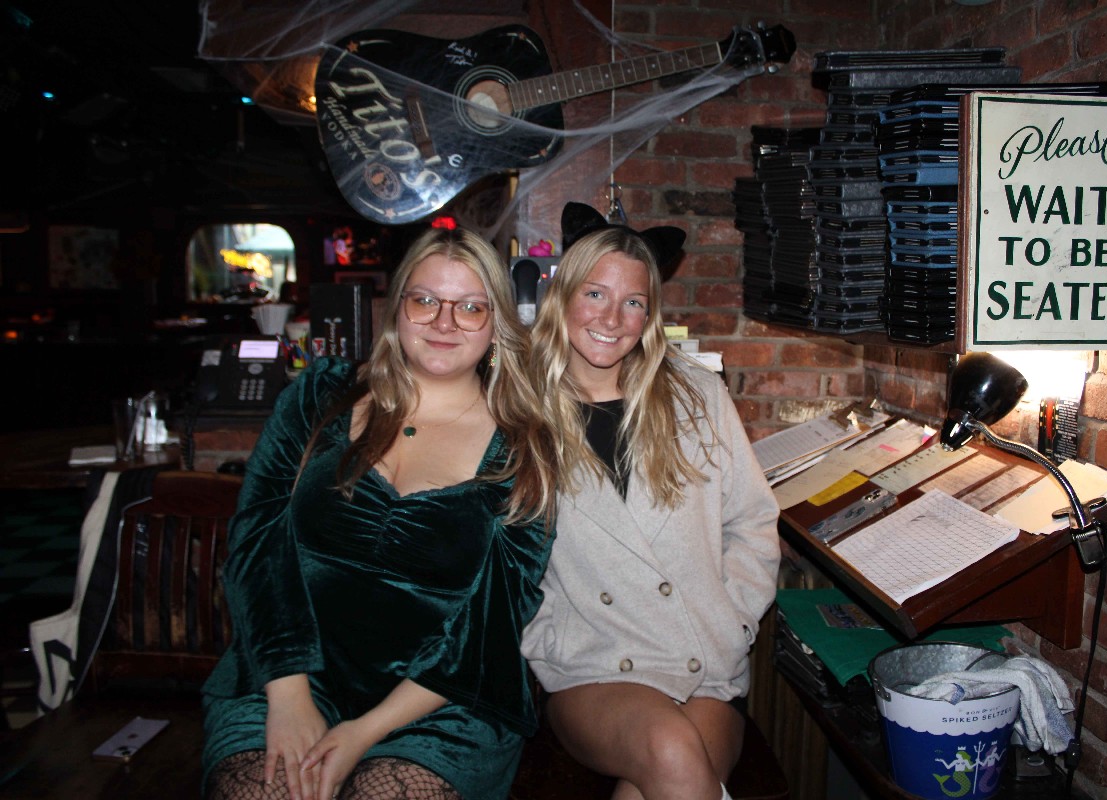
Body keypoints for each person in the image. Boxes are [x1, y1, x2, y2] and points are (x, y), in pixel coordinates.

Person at [202, 227, 557, 800]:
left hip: (442, 699)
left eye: (471, 307)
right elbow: (256, 547)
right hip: (287, 671)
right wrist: (289, 696)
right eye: (426, 300)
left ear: (497, 325)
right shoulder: (319, 398)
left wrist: (364, 732)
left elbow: (494, 624)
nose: (444, 322)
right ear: (397, 309)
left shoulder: (525, 448)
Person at [520, 203, 781, 800]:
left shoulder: (697, 395)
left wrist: (732, 622)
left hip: (703, 661)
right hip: (592, 666)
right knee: (669, 748)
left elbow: (752, 521)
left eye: (633, 302)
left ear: (650, 314)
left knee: (661, 776)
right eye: (595, 294)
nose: (612, 318)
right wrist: (545, 638)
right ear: (562, 296)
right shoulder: (519, 410)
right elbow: (495, 553)